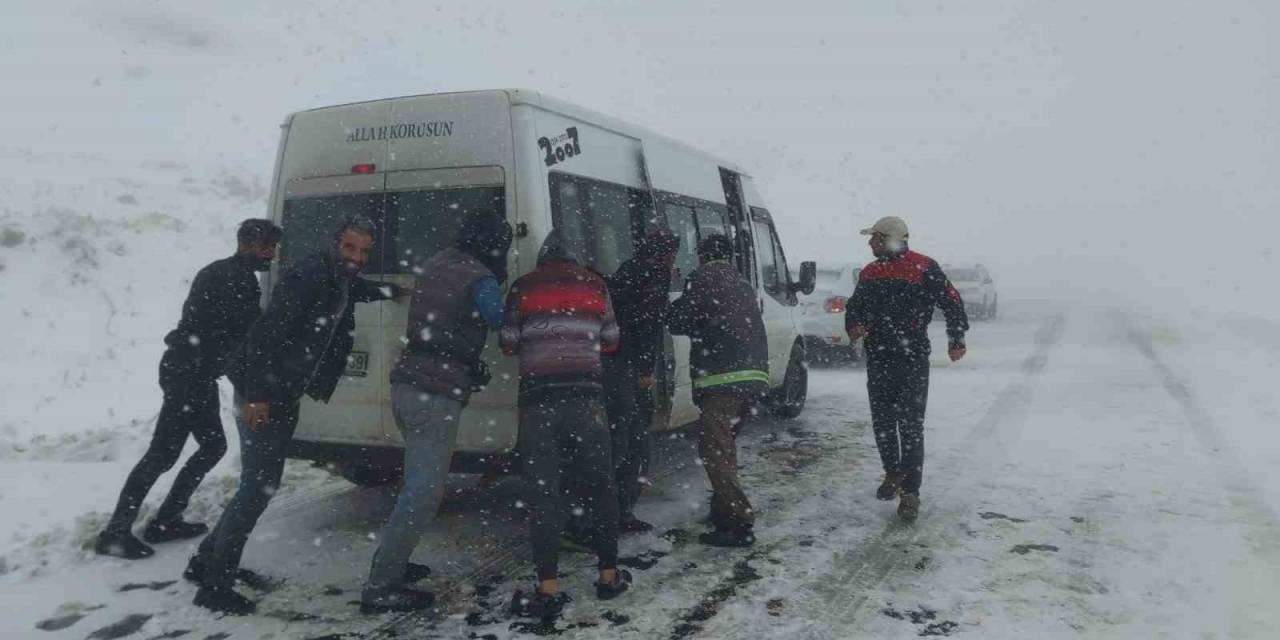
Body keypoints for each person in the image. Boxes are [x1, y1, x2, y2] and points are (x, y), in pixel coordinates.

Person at [188, 216, 402, 615]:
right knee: (258, 486)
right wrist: (258, 396)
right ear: (334, 244)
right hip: (263, 392)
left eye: (364, 251)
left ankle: (206, 561)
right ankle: (214, 584)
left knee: (258, 483)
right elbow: (268, 335)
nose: (357, 257)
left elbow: (361, 288)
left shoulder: (339, 277)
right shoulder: (310, 275)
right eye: (350, 248)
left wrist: (396, 289)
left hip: (279, 392)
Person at [94, 219, 282, 560]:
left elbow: (234, 335)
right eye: (265, 247)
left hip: (193, 371)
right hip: (187, 372)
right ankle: (115, 533)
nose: (270, 254)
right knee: (162, 454)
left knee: (212, 446)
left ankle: (166, 520)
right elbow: (238, 338)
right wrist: (254, 390)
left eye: (272, 247)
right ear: (246, 244)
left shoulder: (232, 275)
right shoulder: (233, 279)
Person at [360, 212, 513, 614]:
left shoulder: (437, 262)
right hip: (435, 393)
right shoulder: (480, 278)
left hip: (407, 383)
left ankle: (392, 562)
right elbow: (502, 321)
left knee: (416, 482)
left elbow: (443, 321)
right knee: (424, 493)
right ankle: (381, 586)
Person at [500, 231, 633, 620]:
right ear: (574, 259)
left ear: (543, 259)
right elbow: (611, 340)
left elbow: (508, 342)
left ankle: (548, 587)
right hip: (587, 401)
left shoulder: (523, 287)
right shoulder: (595, 285)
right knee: (601, 485)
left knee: (544, 493)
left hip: (539, 403)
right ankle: (608, 576)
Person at [845, 216, 968, 522]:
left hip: (912, 358)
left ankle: (911, 493)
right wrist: (854, 325)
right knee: (883, 422)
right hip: (879, 357)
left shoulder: (923, 267)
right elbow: (855, 306)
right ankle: (893, 474)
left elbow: (951, 302)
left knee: (911, 426)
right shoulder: (870, 272)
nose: (870, 244)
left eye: (875, 238)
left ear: (890, 239)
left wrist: (956, 338)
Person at [563, 230, 679, 543]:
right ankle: (604, 515)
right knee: (631, 445)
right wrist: (644, 369)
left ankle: (598, 513)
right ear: (666, 254)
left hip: (607, 362)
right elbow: (646, 322)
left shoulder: (628, 269)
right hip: (626, 368)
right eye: (672, 254)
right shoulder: (655, 275)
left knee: (615, 442)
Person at [668, 234, 769, 548]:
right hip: (752, 378)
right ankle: (723, 511)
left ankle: (739, 524)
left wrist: (670, 307)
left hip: (722, 380)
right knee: (725, 448)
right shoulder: (741, 282)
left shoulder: (703, 279)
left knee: (716, 453)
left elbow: (678, 321)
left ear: (702, 255)